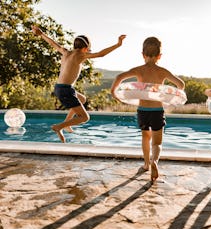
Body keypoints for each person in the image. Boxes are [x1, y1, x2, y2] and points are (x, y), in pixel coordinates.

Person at [32, 25, 126, 143]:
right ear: (85, 48)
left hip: (59, 88)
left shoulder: (65, 52)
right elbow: (101, 54)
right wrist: (118, 44)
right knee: (85, 117)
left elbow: (53, 43)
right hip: (66, 90)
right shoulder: (81, 55)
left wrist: (41, 34)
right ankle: (59, 127)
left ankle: (66, 124)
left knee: (82, 98)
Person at [111, 37, 185, 182]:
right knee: (157, 143)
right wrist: (169, 97)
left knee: (145, 137)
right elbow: (180, 84)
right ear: (159, 56)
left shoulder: (139, 70)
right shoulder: (162, 71)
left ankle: (146, 164)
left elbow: (119, 76)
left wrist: (114, 93)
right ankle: (154, 162)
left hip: (142, 110)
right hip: (157, 110)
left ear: (143, 54)